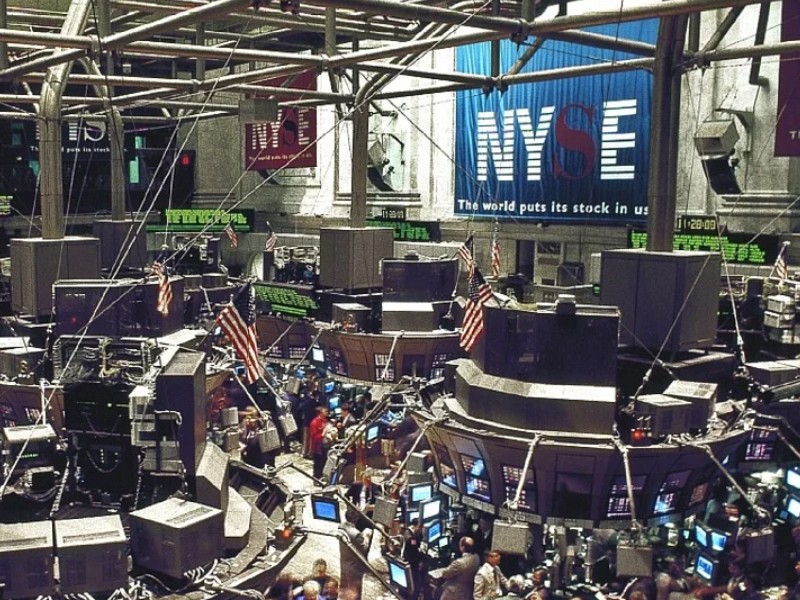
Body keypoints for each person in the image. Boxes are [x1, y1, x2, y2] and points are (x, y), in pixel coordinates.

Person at [429, 536, 480, 600]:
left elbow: (445, 574)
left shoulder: (459, 563)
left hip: (454, 592)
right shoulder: (477, 558)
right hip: (468, 591)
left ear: (462, 548)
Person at [338, 507, 373, 598]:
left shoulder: (341, 526)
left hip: (345, 562)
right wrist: (367, 536)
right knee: (355, 591)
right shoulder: (356, 534)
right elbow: (364, 549)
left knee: (345, 589)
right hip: (355, 567)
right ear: (356, 519)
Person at [309, 406, 329, 480]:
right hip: (317, 447)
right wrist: (323, 434)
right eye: (325, 411)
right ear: (320, 413)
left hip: (325, 446)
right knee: (318, 464)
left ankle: (322, 477)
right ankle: (316, 479)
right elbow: (314, 437)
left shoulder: (326, 420)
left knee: (324, 462)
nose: (327, 413)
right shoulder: (314, 422)